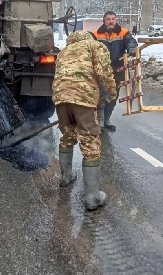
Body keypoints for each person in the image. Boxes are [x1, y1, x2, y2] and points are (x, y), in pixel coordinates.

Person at [52, 30, 118, 211]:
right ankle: (92, 197)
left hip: (60, 98)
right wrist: (112, 93)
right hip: (83, 98)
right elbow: (104, 72)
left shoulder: (64, 51)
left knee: (67, 135)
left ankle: (66, 177)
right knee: (90, 143)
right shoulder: (95, 46)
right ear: (90, 37)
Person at [92, 11, 138, 132]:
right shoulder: (96, 34)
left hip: (117, 70)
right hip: (101, 70)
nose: (111, 21)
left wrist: (131, 48)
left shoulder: (123, 33)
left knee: (113, 95)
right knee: (101, 94)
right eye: (108, 19)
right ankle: (100, 121)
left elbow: (131, 41)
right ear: (104, 21)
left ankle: (107, 120)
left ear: (116, 20)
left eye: (113, 19)